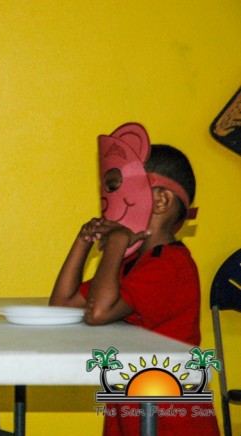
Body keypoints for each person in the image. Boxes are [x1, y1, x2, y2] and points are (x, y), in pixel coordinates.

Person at [49, 122, 219, 435]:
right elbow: (62, 304)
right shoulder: (132, 264)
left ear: (160, 201)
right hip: (134, 405)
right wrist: (82, 241)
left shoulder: (170, 266)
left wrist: (115, 243)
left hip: (170, 418)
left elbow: (98, 313)